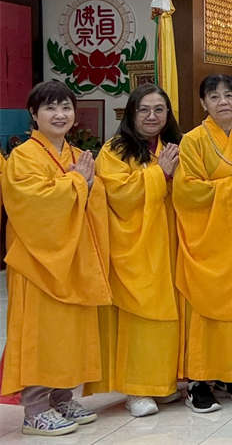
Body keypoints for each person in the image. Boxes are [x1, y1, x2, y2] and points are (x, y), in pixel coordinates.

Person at [1, 81, 110, 436]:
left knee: (69, 330)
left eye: (66, 107)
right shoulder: (23, 156)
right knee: (42, 332)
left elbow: (93, 196)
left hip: (73, 257)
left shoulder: (77, 154)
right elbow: (31, 204)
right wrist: (77, 183)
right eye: (50, 108)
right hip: (38, 260)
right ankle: (34, 409)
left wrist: (89, 185)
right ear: (34, 115)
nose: (60, 114)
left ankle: (62, 397)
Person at [83, 84, 183, 418]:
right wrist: (159, 173)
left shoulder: (175, 145)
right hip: (135, 245)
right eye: (144, 110)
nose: (152, 116)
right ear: (131, 113)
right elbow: (119, 196)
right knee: (142, 317)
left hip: (171, 240)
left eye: (159, 110)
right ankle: (137, 389)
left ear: (168, 114)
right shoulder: (115, 150)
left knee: (169, 315)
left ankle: (162, 383)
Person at [173, 75, 232, 413]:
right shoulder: (193, 141)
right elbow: (186, 191)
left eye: (229, 95)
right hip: (207, 238)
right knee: (207, 306)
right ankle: (199, 380)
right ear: (203, 103)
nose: (223, 102)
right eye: (214, 97)